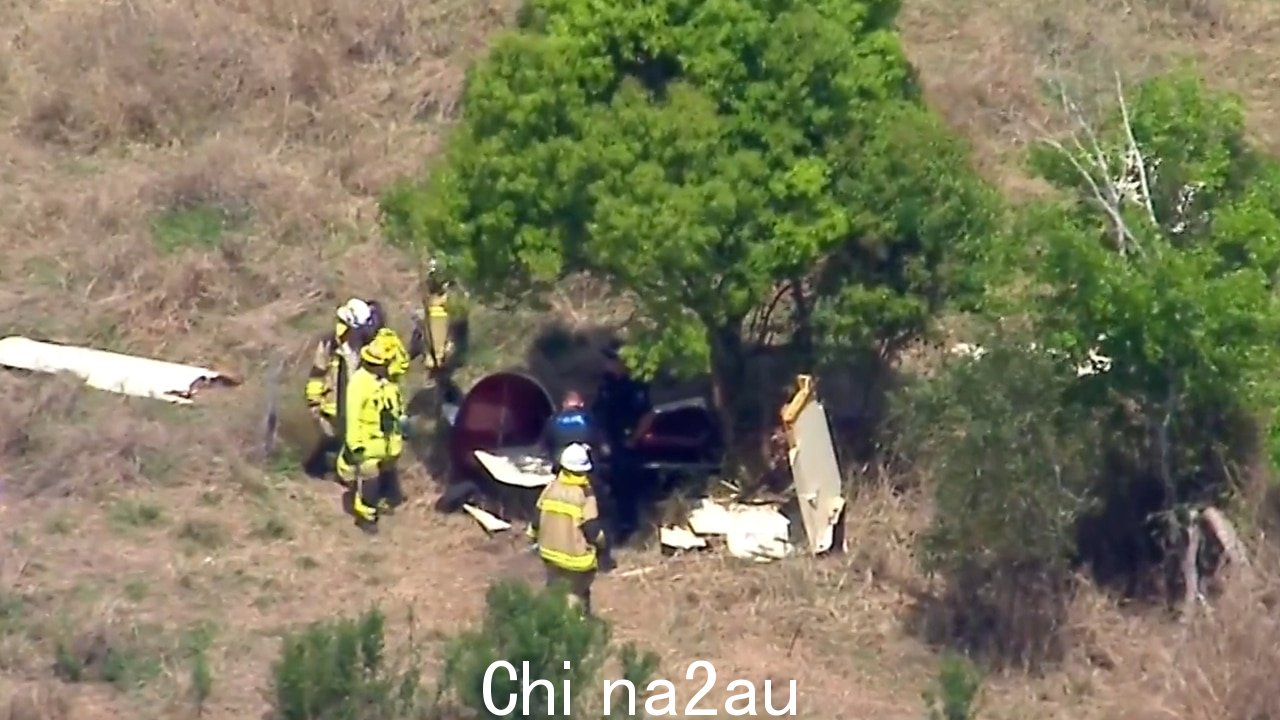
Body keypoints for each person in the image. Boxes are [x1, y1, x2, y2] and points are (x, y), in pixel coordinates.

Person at [336, 332, 408, 534]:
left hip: (388, 442)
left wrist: (402, 423)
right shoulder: (360, 382)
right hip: (367, 443)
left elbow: (395, 405)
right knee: (369, 476)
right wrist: (355, 444)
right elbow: (353, 415)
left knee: (386, 471)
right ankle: (366, 516)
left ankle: (381, 500)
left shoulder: (388, 380)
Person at [529, 443, 612, 614]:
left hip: (549, 554)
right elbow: (592, 531)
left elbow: (536, 521)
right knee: (576, 595)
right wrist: (603, 549)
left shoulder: (550, 488)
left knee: (555, 590)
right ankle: (575, 629)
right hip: (577, 560)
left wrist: (534, 539)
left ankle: (549, 624)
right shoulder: (585, 494)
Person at [303, 298, 375, 473]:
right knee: (331, 438)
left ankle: (347, 474)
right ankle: (317, 469)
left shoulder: (368, 346)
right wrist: (314, 402)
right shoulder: (330, 344)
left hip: (358, 405)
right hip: (334, 404)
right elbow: (317, 374)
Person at [593, 343, 652, 450]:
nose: (607, 362)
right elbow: (598, 411)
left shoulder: (635, 384)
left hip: (630, 443)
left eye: (612, 359)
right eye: (608, 358)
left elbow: (647, 415)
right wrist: (602, 438)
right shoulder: (606, 383)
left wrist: (633, 439)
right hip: (610, 442)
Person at [543, 390, 604, 471]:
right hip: (586, 462)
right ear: (581, 404)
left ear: (564, 404)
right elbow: (599, 441)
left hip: (560, 461)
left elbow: (546, 444)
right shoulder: (589, 419)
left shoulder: (553, 420)